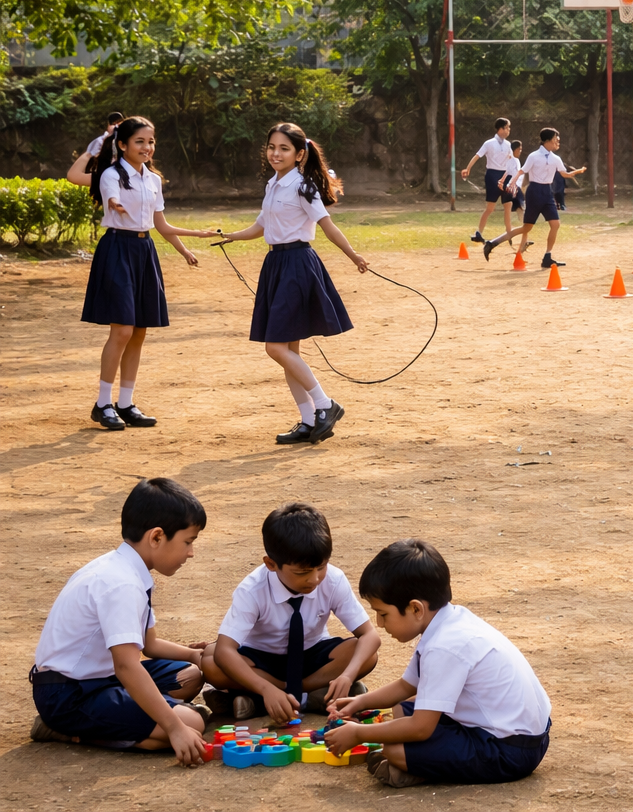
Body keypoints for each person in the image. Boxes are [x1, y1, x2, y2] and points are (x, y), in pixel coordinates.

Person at [325, 539, 552, 789]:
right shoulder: (450, 622)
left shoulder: (444, 646)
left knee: (395, 748)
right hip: (519, 734)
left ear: (415, 609)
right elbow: (405, 686)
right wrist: (360, 702)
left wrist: (358, 733)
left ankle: (423, 770)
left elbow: (421, 729)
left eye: (383, 614)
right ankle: (426, 762)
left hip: (510, 750)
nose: (379, 623)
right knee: (402, 708)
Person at [30, 478, 211, 764]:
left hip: (99, 678)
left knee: (189, 676)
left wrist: (194, 654)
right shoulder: (121, 584)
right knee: (192, 723)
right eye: (188, 542)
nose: (190, 552)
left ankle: (132, 717)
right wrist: (175, 728)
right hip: (69, 694)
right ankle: (68, 732)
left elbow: (148, 645)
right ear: (156, 537)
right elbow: (127, 665)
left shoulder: (126, 568)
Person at [213, 122, 366, 445]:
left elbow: (327, 225)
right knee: (288, 349)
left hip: (298, 265)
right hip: (276, 265)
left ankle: (326, 405)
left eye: (283, 148)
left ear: (299, 155)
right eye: (271, 147)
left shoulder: (303, 186)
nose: (275, 153)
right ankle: (309, 420)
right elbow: (261, 224)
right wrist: (230, 236)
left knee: (276, 346)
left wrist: (354, 256)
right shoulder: (274, 184)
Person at [81, 117, 216, 430]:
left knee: (140, 329)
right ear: (123, 144)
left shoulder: (153, 180)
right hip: (116, 250)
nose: (147, 147)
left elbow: (162, 225)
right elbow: (111, 197)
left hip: (144, 252)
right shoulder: (111, 174)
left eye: (151, 142)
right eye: (140, 142)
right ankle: (103, 403)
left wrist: (189, 243)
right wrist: (115, 204)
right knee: (123, 329)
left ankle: (125, 403)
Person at [202, 502, 379, 721]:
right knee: (210, 662)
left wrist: (347, 675)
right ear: (271, 564)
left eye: (321, 567)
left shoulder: (333, 579)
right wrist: (267, 688)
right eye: (302, 572)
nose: (314, 579)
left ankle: (267, 699)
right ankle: (304, 697)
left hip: (311, 657)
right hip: (263, 661)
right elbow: (224, 651)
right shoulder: (252, 589)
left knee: (367, 654)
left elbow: (369, 635)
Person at [482, 128, 586, 268]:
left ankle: (547, 257)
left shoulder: (556, 159)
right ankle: (492, 243)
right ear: (547, 140)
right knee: (526, 228)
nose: (558, 141)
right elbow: (521, 171)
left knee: (555, 224)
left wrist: (576, 172)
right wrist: (512, 184)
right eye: (556, 138)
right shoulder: (534, 156)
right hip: (534, 191)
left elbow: (564, 174)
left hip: (547, 193)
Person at [459, 118, 517, 244]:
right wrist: (468, 169)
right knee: (490, 208)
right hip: (492, 175)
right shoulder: (489, 143)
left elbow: (512, 161)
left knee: (508, 205)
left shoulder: (508, 145)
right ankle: (478, 233)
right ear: (500, 129)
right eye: (507, 128)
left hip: (505, 175)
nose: (508, 130)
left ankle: (509, 234)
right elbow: (477, 156)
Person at [65, 111, 125, 188]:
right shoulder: (108, 176)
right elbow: (73, 176)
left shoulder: (143, 175)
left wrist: (89, 153)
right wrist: (91, 152)